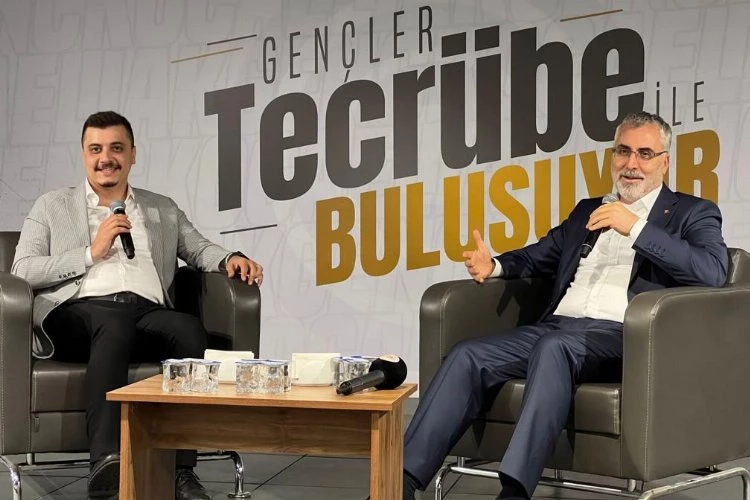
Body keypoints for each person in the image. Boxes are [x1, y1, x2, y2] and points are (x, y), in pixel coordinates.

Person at [401, 111, 728, 500]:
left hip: (625, 336)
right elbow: (541, 255)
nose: (631, 164)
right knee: (467, 355)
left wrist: (635, 227)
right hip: (557, 328)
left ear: (665, 162)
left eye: (644, 154)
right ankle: (399, 482)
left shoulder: (692, 212)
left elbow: (712, 272)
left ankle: (514, 491)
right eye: (623, 151)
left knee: (553, 347)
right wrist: (495, 266)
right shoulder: (588, 210)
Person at [12, 111, 264, 500]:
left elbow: (197, 248)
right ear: (83, 155)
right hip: (76, 314)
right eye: (95, 149)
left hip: (144, 312)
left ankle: (181, 472)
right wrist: (90, 252)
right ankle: (106, 466)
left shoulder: (161, 208)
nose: (105, 158)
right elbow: (23, 269)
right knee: (112, 322)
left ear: (133, 154)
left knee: (187, 329)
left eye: (116, 148)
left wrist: (230, 258)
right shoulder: (52, 205)